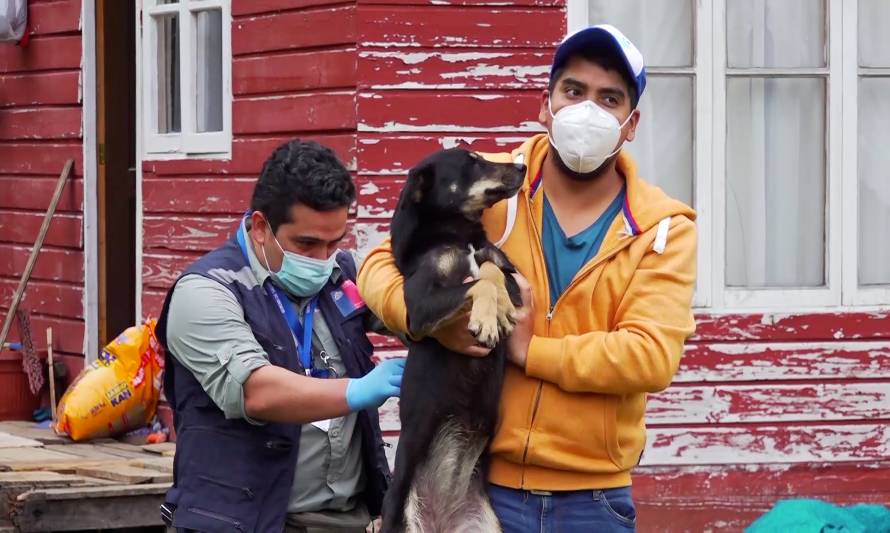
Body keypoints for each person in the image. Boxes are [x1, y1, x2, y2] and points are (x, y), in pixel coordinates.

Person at [357, 25, 697, 532]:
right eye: (574, 91)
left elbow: (649, 355)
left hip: (593, 500)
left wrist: (528, 351)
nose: (588, 110)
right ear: (547, 105)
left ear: (631, 123)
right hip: (486, 486)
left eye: (609, 98)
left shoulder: (663, 229)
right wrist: (428, 319)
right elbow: (380, 265)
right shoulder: (493, 185)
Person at [156, 139, 404, 533]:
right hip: (243, 524)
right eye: (306, 244)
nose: (322, 259)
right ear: (260, 228)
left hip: (347, 522)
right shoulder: (206, 290)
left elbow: (411, 311)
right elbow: (256, 390)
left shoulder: (342, 275)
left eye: (334, 242)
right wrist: (357, 390)